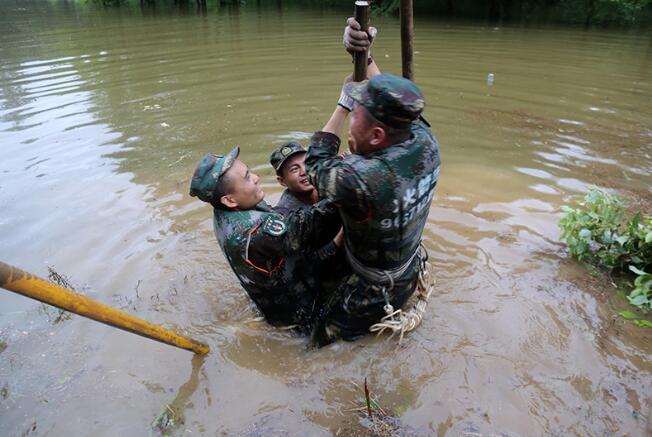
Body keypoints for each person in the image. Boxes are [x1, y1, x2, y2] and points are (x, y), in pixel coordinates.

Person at [305, 19, 441, 345]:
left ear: (377, 135)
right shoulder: (424, 142)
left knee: (318, 342)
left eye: (355, 116)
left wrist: (341, 104)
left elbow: (315, 165)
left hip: (373, 288)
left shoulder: (364, 179)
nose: (350, 123)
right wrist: (364, 57)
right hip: (406, 268)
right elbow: (396, 101)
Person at [189, 147, 341, 332]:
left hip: (272, 298)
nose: (256, 177)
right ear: (229, 200)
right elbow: (313, 226)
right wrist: (341, 182)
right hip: (301, 317)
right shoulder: (256, 231)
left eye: (249, 171)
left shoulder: (227, 209)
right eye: (246, 177)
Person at [269, 141, 318, 216]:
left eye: (307, 163)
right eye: (294, 169)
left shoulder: (325, 184)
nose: (304, 171)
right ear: (282, 181)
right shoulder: (287, 215)